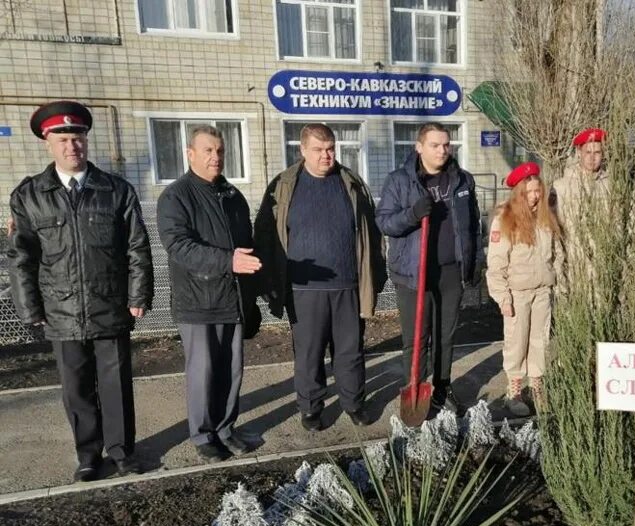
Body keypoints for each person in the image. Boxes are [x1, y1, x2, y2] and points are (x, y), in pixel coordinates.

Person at [7, 101, 153, 481]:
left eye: (78, 138)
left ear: (86, 141)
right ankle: (88, 455)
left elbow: (136, 246)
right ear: (47, 143)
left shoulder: (115, 190)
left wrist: (138, 296)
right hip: (61, 309)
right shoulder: (30, 195)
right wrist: (29, 307)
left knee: (116, 386)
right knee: (76, 390)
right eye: (64, 140)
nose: (72, 146)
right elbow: (22, 256)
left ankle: (123, 452)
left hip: (110, 304)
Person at [254, 123, 386, 432]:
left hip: (348, 285)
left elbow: (371, 233)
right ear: (302, 150)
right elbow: (264, 234)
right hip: (303, 289)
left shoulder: (350, 182)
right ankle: (311, 409)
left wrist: (375, 276)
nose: (326, 156)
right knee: (309, 354)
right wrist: (268, 282)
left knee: (351, 352)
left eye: (330, 149)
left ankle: (354, 404)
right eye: (318, 150)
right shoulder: (284, 186)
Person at [157, 125, 262, 463]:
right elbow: (179, 246)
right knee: (203, 373)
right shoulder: (176, 196)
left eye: (220, 151)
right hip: (198, 300)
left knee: (231, 371)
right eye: (208, 150)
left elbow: (247, 244)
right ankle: (203, 435)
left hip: (231, 299)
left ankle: (226, 428)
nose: (216, 157)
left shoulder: (231, 195)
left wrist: (252, 293)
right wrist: (228, 261)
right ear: (190, 154)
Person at [375, 122, 481, 416]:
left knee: (446, 336)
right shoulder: (400, 181)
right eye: (435, 145)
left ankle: (442, 390)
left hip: (450, 272)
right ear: (419, 147)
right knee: (417, 339)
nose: (443, 150)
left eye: (446, 144)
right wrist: (411, 214)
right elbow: (384, 222)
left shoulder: (461, 180)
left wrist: (473, 264)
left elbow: (473, 226)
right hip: (414, 274)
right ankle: (416, 387)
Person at [486, 163, 563, 415]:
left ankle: (537, 387)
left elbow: (556, 254)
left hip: (542, 291)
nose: (535, 196)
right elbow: (496, 264)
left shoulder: (546, 218)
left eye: (537, 191)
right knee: (517, 343)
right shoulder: (504, 220)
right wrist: (502, 298)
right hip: (517, 294)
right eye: (529, 192)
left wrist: (559, 282)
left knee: (539, 341)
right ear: (519, 193)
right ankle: (515, 391)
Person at [550, 128, 610, 231]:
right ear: (579, 152)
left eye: (597, 152)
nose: (592, 157)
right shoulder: (561, 187)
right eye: (588, 152)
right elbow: (554, 227)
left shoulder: (609, 184)